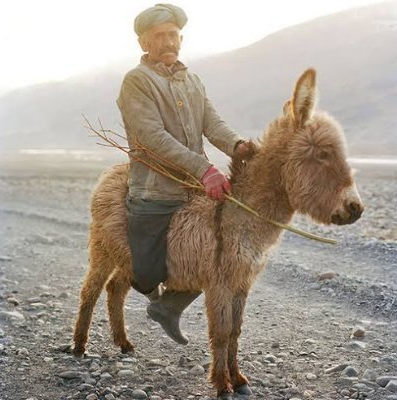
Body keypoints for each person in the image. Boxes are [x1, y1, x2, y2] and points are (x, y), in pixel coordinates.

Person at [116, 3, 248, 345]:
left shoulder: (193, 80)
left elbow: (212, 124)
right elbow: (154, 138)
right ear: (144, 43)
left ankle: (168, 308)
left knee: (220, 257)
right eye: (159, 36)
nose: (168, 41)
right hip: (154, 193)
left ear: (182, 38)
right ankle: (162, 303)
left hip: (194, 192)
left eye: (173, 35)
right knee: (146, 276)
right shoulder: (136, 82)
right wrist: (206, 169)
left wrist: (238, 146)